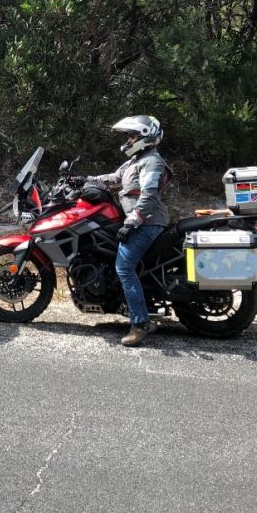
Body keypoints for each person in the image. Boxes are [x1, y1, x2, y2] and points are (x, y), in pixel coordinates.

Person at [91, 115, 170, 346]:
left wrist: (132, 221)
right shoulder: (137, 160)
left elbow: (149, 195)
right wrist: (86, 180)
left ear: (145, 137)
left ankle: (140, 323)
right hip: (141, 220)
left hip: (149, 222)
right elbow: (115, 178)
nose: (128, 140)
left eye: (132, 136)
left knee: (124, 267)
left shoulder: (152, 161)